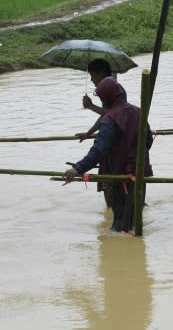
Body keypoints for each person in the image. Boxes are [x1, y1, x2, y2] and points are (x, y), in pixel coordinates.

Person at [63, 77, 153, 233]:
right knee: (134, 218)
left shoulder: (109, 119)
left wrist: (77, 169)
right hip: (139, 174)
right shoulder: (138, 111)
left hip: (119, 176)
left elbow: (99, 150)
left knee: (120, 223)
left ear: (107, 98)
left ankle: (116, 250)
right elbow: (148, 141)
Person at [76, 58, 128, 209]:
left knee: (112, 185)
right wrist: (88, 133)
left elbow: (112, 115)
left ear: (102, 73)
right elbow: (106, 116)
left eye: (93, 76)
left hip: (116, 145)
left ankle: (114, 214)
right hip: (115, 144)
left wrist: (91, 106)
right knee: (111, 186)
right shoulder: (110, 90)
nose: (92, 80)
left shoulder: (115, 90)